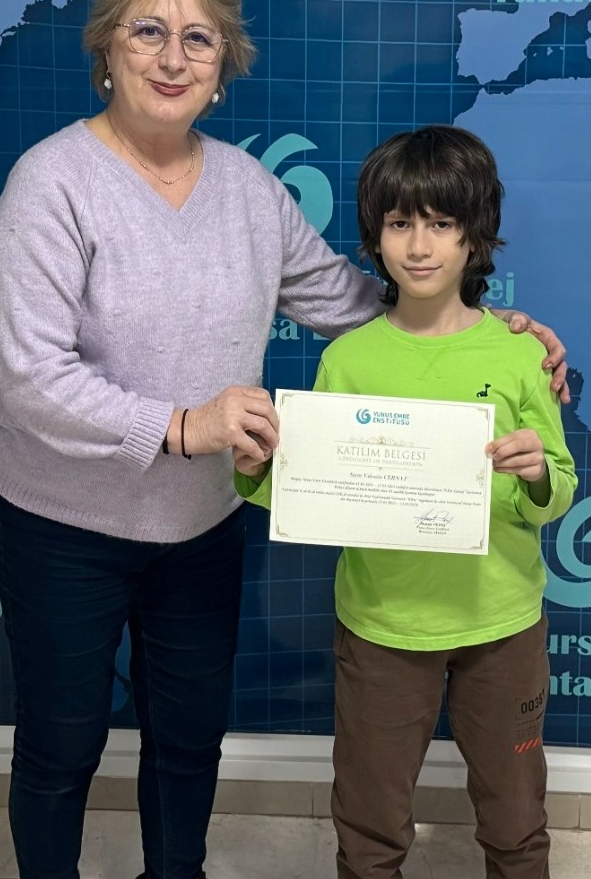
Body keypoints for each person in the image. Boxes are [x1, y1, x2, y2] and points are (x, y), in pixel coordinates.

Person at [0, 0, 567, 879]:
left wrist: (480, 327)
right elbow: (29, 378)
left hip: (200, 525)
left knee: (188, 740)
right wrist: (184, 426)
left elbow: (355, 299)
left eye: (199, 38)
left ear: (222, 67)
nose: (173, 57)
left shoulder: (249, 191)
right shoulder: (49, 185)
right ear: (106, 50)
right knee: (60, 748)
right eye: (148, 31)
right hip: (65, 525)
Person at [234, 126, 577, 879]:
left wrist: (537, 476)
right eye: (400, 223)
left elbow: (557, 488)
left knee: (517, 823)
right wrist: (258, 471)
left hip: (501, 625)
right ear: (375, 235)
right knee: (369, 827)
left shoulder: (520, 353)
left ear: (475, 234)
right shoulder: (348, 359)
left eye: (442, 223)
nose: (420, 247)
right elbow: (315, 488)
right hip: (382, 627)